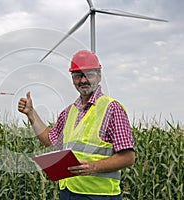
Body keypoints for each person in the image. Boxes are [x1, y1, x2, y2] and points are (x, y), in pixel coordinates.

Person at [18, 50, 135, 200]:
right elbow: (51, 140)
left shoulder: (112, 109)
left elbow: (128, 157)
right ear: (72, 79)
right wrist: (31, 113)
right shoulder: (68, 112)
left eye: (89, 74)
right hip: (68, 193)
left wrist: (93, 167)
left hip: (99, 196)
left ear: (99, 76)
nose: (83, 80)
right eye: (78, 75)